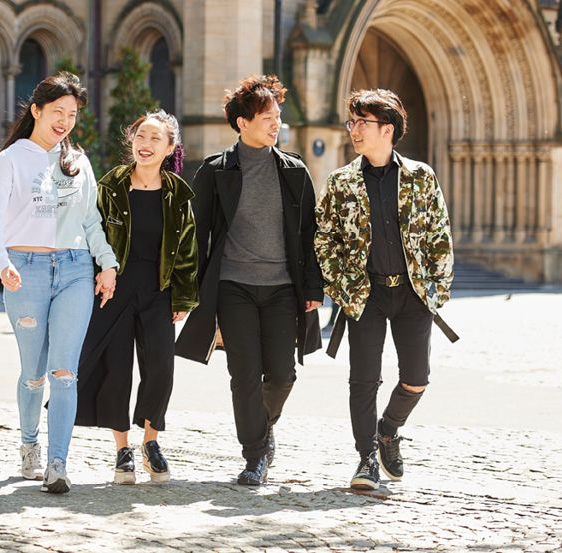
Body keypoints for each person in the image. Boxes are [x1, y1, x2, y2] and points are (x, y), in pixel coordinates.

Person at [175, 75, 324, 486]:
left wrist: (313, 288)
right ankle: (255, 455)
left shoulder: (294, 171)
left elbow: (310, 233)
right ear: (242, 122)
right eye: (267, 117)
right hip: (232, 286)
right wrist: (188, 292)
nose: (276, 124)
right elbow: (196, 235)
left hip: (281, 288)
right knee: (244, 373)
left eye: (278, 117)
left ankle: (262, 426)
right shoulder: (215, 170)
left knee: (282, 374)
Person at [0, 72, 119, 494]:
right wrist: (2, 263)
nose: (64, 120)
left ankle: (57, 463)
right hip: (25, 270)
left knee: (64, 373)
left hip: (75, 269)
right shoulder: (11, 160)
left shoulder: (77, 161)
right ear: (36, 110)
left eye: (72, 114)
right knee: (33, 373)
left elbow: (90, 220)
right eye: (57, 111)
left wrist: (107, 264)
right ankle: (29, 444)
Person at [314, 88, 455, 491]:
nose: (354, 130)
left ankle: (388, 431)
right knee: (363, 381)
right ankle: (366, 461)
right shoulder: (341, 182)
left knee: (416, 379)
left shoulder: (420, 176)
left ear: (387, 129)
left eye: (363, 122)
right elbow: (325, 241)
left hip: (412, 294)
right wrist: (346, 286)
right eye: (352, 122)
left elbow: (439, 234)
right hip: (366, 295)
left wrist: (434, 288)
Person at [75, 110, 199, 485]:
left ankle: (151, 443)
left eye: (155, 139)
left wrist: (184, 297)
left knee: (161, 366)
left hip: (159, 292)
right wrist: (98, 275)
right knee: (116, 369)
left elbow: (188, 250)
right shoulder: (110, 188)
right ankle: (122, 450)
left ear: (169, 148)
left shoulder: (178, 193)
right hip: (114, 290)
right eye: (140, 136)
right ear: (131, 141)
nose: (146, 145)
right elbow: (90, 236)